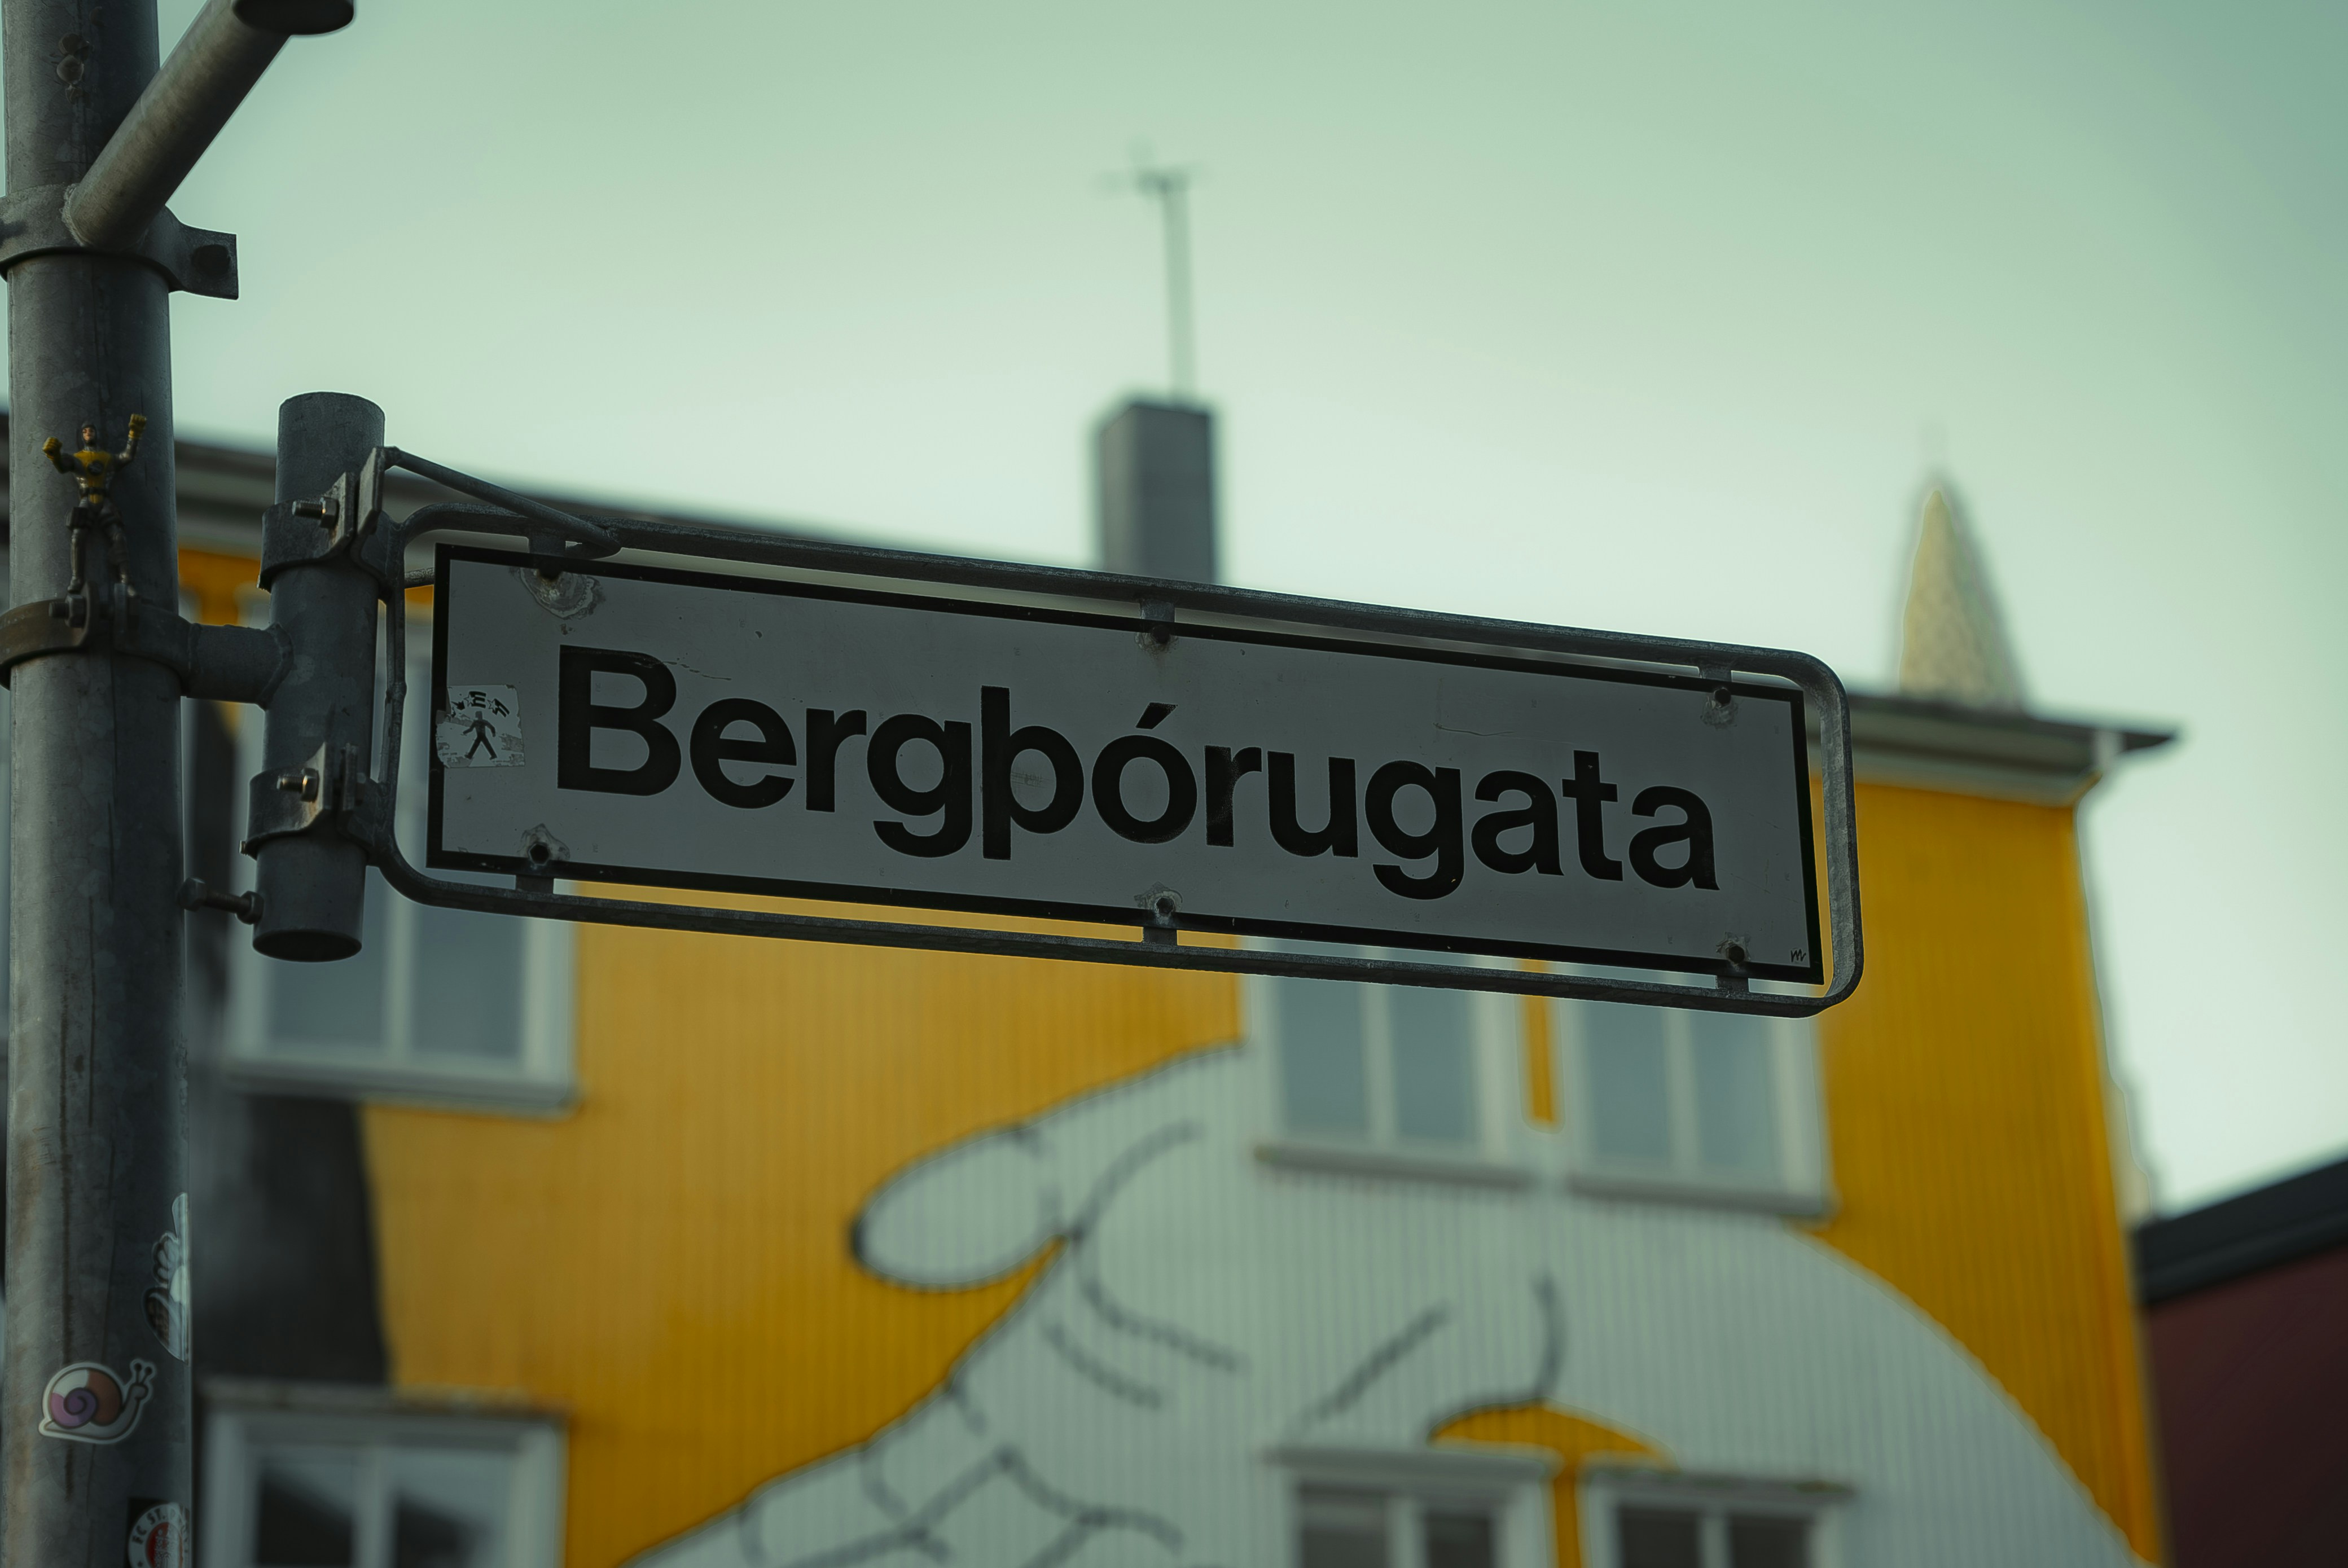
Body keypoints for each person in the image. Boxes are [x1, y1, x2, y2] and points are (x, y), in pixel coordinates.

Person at [43, 414, 146, 598]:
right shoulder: (78, 458)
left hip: (105, 501)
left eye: (91, 430)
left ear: (97, 434)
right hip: (87, 500)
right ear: (82, 436)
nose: (88, 433)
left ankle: (126, 581)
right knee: (77, 538)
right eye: (85, 431)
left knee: (119, 538)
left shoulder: (107, 458)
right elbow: (63, 465)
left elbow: (127, 456)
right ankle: (77, 579)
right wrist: (55, 456)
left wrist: (134, 435)